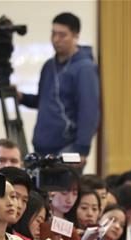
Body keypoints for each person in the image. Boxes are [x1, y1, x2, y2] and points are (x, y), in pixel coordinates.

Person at [18, 12, 100, 161]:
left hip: (67, 147)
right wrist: (21, 97)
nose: (56, 39)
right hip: (41, 147)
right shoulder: (49, 66)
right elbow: (43, 101)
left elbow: (89, 111)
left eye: (62, 35)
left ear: (75, 35)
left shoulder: (84, 68)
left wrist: (82, 150)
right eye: (53, 33)